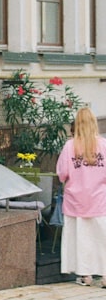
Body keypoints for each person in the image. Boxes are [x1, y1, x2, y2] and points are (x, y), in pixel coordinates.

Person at [56, 107, 106, 286]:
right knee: (101, 238)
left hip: (76, 201)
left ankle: (85, 276)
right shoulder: (103, 145)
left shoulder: (70, 146)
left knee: (80, 239)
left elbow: (62, 174)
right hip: (99, 200)